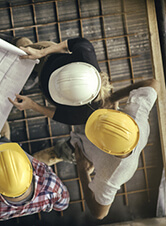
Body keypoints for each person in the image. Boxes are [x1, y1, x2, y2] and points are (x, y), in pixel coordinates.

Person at [35, 78, 160, 219]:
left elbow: (99, 213)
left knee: (64, 152)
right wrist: (112, 98)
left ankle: (57, 153)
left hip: (82, 151)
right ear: (123, 118)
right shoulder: (137, 117)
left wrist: (83, 172)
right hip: (101, 120)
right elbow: (152, 83)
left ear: (104, 149)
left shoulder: (111, 175)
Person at [8, 37, 114, 125]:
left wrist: (32, 105)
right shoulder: (85, 53)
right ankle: (16, 41)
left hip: (45, 84)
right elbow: (67, 44)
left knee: (23, 68)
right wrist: (41, 52)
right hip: (47, 57)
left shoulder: (83, 114)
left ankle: (34, 77)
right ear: (75, 65)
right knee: (22, 47)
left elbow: (57, 114)